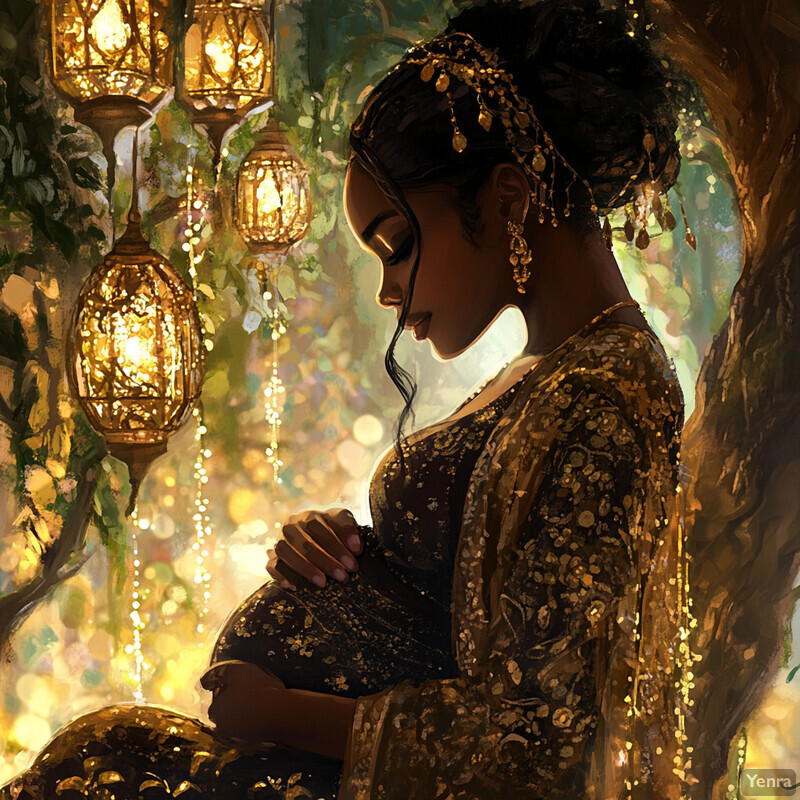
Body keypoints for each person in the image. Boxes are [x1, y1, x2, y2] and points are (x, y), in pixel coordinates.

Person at [1, 1, 693, 798]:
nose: (388, 292)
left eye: (397, 247)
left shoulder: (608, 397)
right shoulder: (554, 370)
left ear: (506, 200)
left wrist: (284, 714)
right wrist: (345, 551)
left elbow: (544, 738)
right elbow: (463, 598)